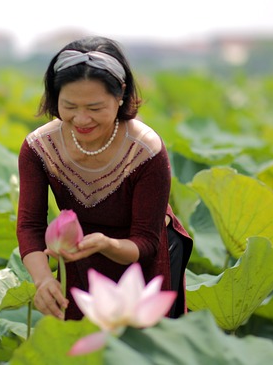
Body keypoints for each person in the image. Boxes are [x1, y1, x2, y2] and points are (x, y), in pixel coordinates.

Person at [16, 36, 192, 321]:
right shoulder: (39, 148)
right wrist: (44, 280)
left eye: (95, 108)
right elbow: (30, 226)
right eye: (70, 106)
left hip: (140, 266)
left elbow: (146, 242)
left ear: (120, 95)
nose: (82, 119)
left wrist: (107, 245)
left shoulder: (146, 150)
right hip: (75, 257)